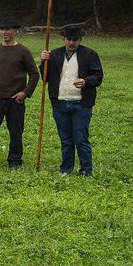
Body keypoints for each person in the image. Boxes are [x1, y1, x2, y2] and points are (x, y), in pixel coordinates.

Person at [0, 18, 39, 168]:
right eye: (2, 29)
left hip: (15, 100)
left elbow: (34, 74)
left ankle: (14, 161)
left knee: (16, 133)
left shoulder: (23, 51)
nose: (5, 32)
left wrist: (25, 92)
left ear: (16, 31)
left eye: (8, 29)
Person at [41, 25, 103, 175]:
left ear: (80, 40)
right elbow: (45, 77)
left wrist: (86, 81)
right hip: (60, 102)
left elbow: (98, 76)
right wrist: (44, 62)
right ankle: (66, 169)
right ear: (64, 39)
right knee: (66, 139)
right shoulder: (54, 54)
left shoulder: (90, 54)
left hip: (81, 103)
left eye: (75, 40)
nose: (72, 43)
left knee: (81, 138)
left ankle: (86, 170)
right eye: (69, 39)